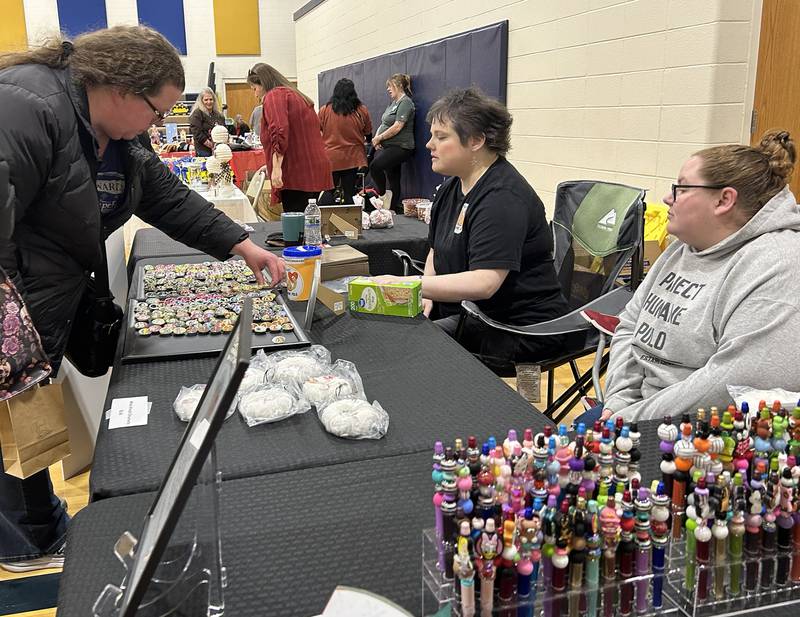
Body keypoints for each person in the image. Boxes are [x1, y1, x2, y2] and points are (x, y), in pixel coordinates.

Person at [0, 25, 284, 573]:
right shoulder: (26, 106)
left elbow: (166, 197)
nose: (159, 124)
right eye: (158, 112)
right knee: (11, 426)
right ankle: (22, 545)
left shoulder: (121, 137)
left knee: (27, 423)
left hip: (45, 306)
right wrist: (13, 327)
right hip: (16, 312)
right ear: (121, 88)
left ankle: (37, 525)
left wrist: (241, 244)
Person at [594, 130, 800, 423]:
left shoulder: (776, 264)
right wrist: (618, 402)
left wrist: (631, 420)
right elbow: (630, 325)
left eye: (681, 188)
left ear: (723, 200)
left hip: (700, 430)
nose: (667, 198)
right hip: (634, 412)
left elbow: (730, 383)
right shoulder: (683, 248)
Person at [373, 88, 568, 373]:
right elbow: (435, 251)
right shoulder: (453, 184)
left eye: (441, 137)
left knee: (407, 356)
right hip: (470, 314)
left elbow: (484, 283)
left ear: (476, 140)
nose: (429, 145)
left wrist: (408, 285)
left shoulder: (502, 198)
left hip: (515, 327)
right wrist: (427, 294)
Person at [247, 63, 332, 212]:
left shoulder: (274, 96)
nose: (255, 94)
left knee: (296, 225)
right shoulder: (296, 95)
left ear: (263, 83)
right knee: (307, 222)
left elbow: (280, 131)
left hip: (297, 172)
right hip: (313, 169)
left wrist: (277, 168)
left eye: (255, 89)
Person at [318, 78, 372, 203]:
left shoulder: (325, 110)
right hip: (353, 158)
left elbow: (315, 130)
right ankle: (350, 221)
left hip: (331, 157)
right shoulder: (361, 110)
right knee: (349, 192)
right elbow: (368, 132)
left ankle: (325, 219)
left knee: (329, 190)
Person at [370, 73, 415, 213]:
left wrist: (380, 138)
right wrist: (377, 138)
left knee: (375, 166)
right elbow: (384, 123)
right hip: (389, 145)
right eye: (387, 87)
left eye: (390, 86)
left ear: (399, 86)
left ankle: (383, 195)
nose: (388, 89)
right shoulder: (393, 104)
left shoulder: (406, 102)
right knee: (393, 177)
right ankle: (392, 209)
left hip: (402, 147)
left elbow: (397, 126)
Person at [188, 86, 225, 156]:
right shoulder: (197, 114)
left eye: (211, 99)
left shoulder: (219, 115)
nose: (209, 102)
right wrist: (211, 145)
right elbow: (197, 133)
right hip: (203, 150)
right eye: (206, 100)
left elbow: (224, 130)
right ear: (201, 101)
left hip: (220, 150)